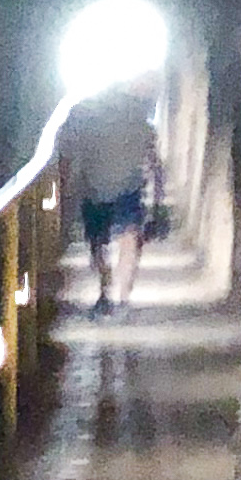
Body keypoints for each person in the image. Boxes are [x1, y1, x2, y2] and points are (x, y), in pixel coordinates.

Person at [66, 82, 162, 313]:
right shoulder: (139, 123)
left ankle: (105, 288)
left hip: (94, 189)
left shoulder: (87, 120)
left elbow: (71, 153)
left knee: (98, 243)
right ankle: (123, 297)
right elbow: (154, 162)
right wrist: (158, 200)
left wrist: (71, 189)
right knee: (129, 237)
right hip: (128, 188)